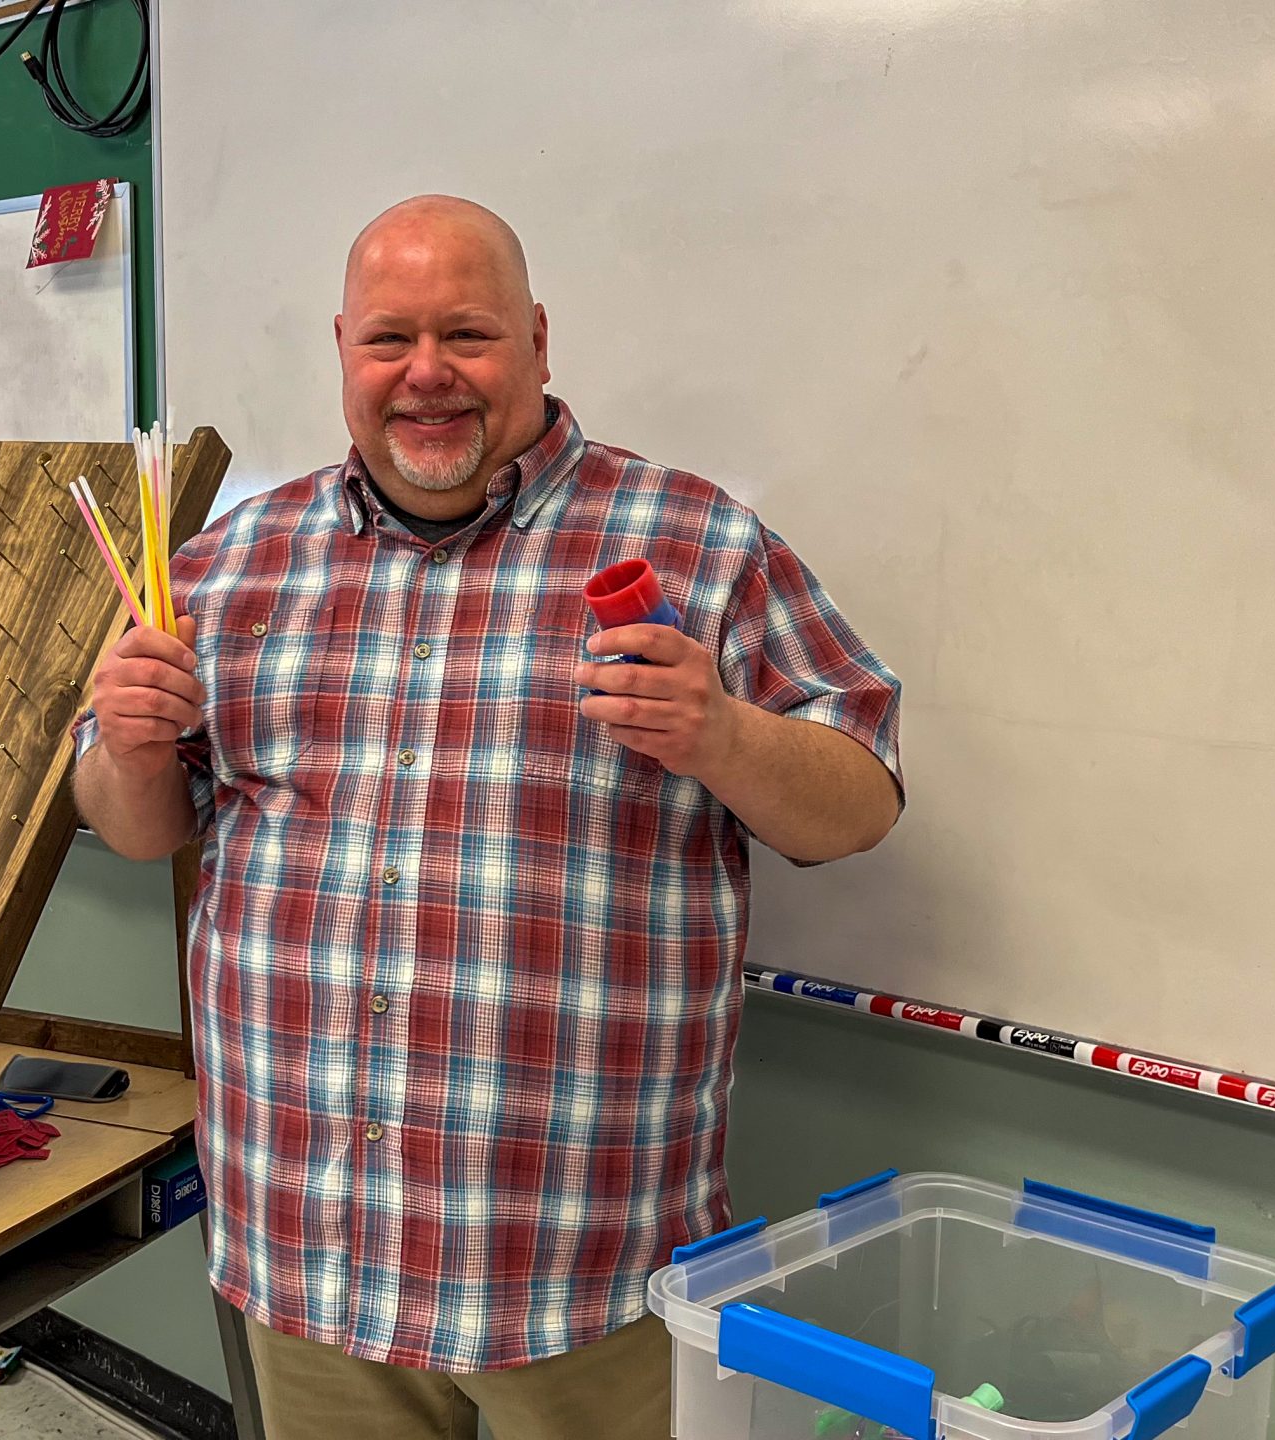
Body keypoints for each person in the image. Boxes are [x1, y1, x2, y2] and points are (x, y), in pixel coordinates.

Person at [73, 195, 904, 1440]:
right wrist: (126, 745)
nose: (426, 376)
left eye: (467, 334)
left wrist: (722, 733)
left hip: (579, 1263)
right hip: (309, 1241)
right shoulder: (226, 562)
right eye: (388, 340)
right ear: (343, 349)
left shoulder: (698, 544)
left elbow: (860, 802)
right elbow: (138, 827)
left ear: (538, 342)